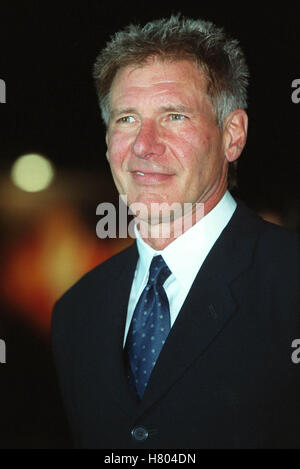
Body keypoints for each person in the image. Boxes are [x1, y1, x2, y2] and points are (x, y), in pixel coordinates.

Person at [51, 15, 300, 449]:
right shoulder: (76, 312)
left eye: (174, 115)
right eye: (127, 119)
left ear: (232, 135)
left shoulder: (290, 282)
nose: (145, 145)